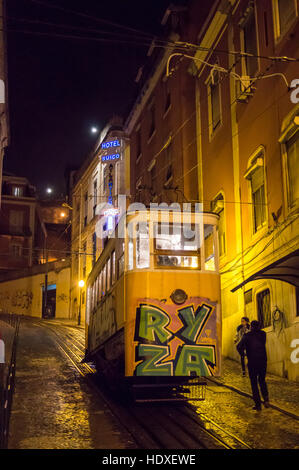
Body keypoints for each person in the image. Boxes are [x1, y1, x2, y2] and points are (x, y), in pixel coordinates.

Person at [237, 320, 270, 411]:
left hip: (252, 362)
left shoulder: (247, 336)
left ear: (251, 326)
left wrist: (243, 354)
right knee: (262, 380)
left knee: (254, 383)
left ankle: (258, 405)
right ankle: (266, 399)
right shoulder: (263, 334)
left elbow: (239, 346)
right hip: (263, 361)